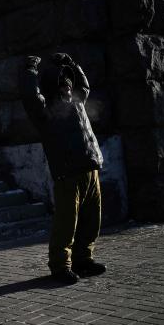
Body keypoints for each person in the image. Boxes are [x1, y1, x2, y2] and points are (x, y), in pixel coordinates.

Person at [19, 53, 106, 285]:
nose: (68, 87)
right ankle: (60, 266)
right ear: (54, 87)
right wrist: (30, 70)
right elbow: (29, 97)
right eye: (63, 84)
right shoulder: (45, 112)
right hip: (67, 175)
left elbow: (83, 84)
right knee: (66, 224)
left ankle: (83, 259)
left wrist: (71, 64)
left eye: (69, 83)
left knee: (91, 221)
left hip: (90, 168)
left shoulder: (77, 102)